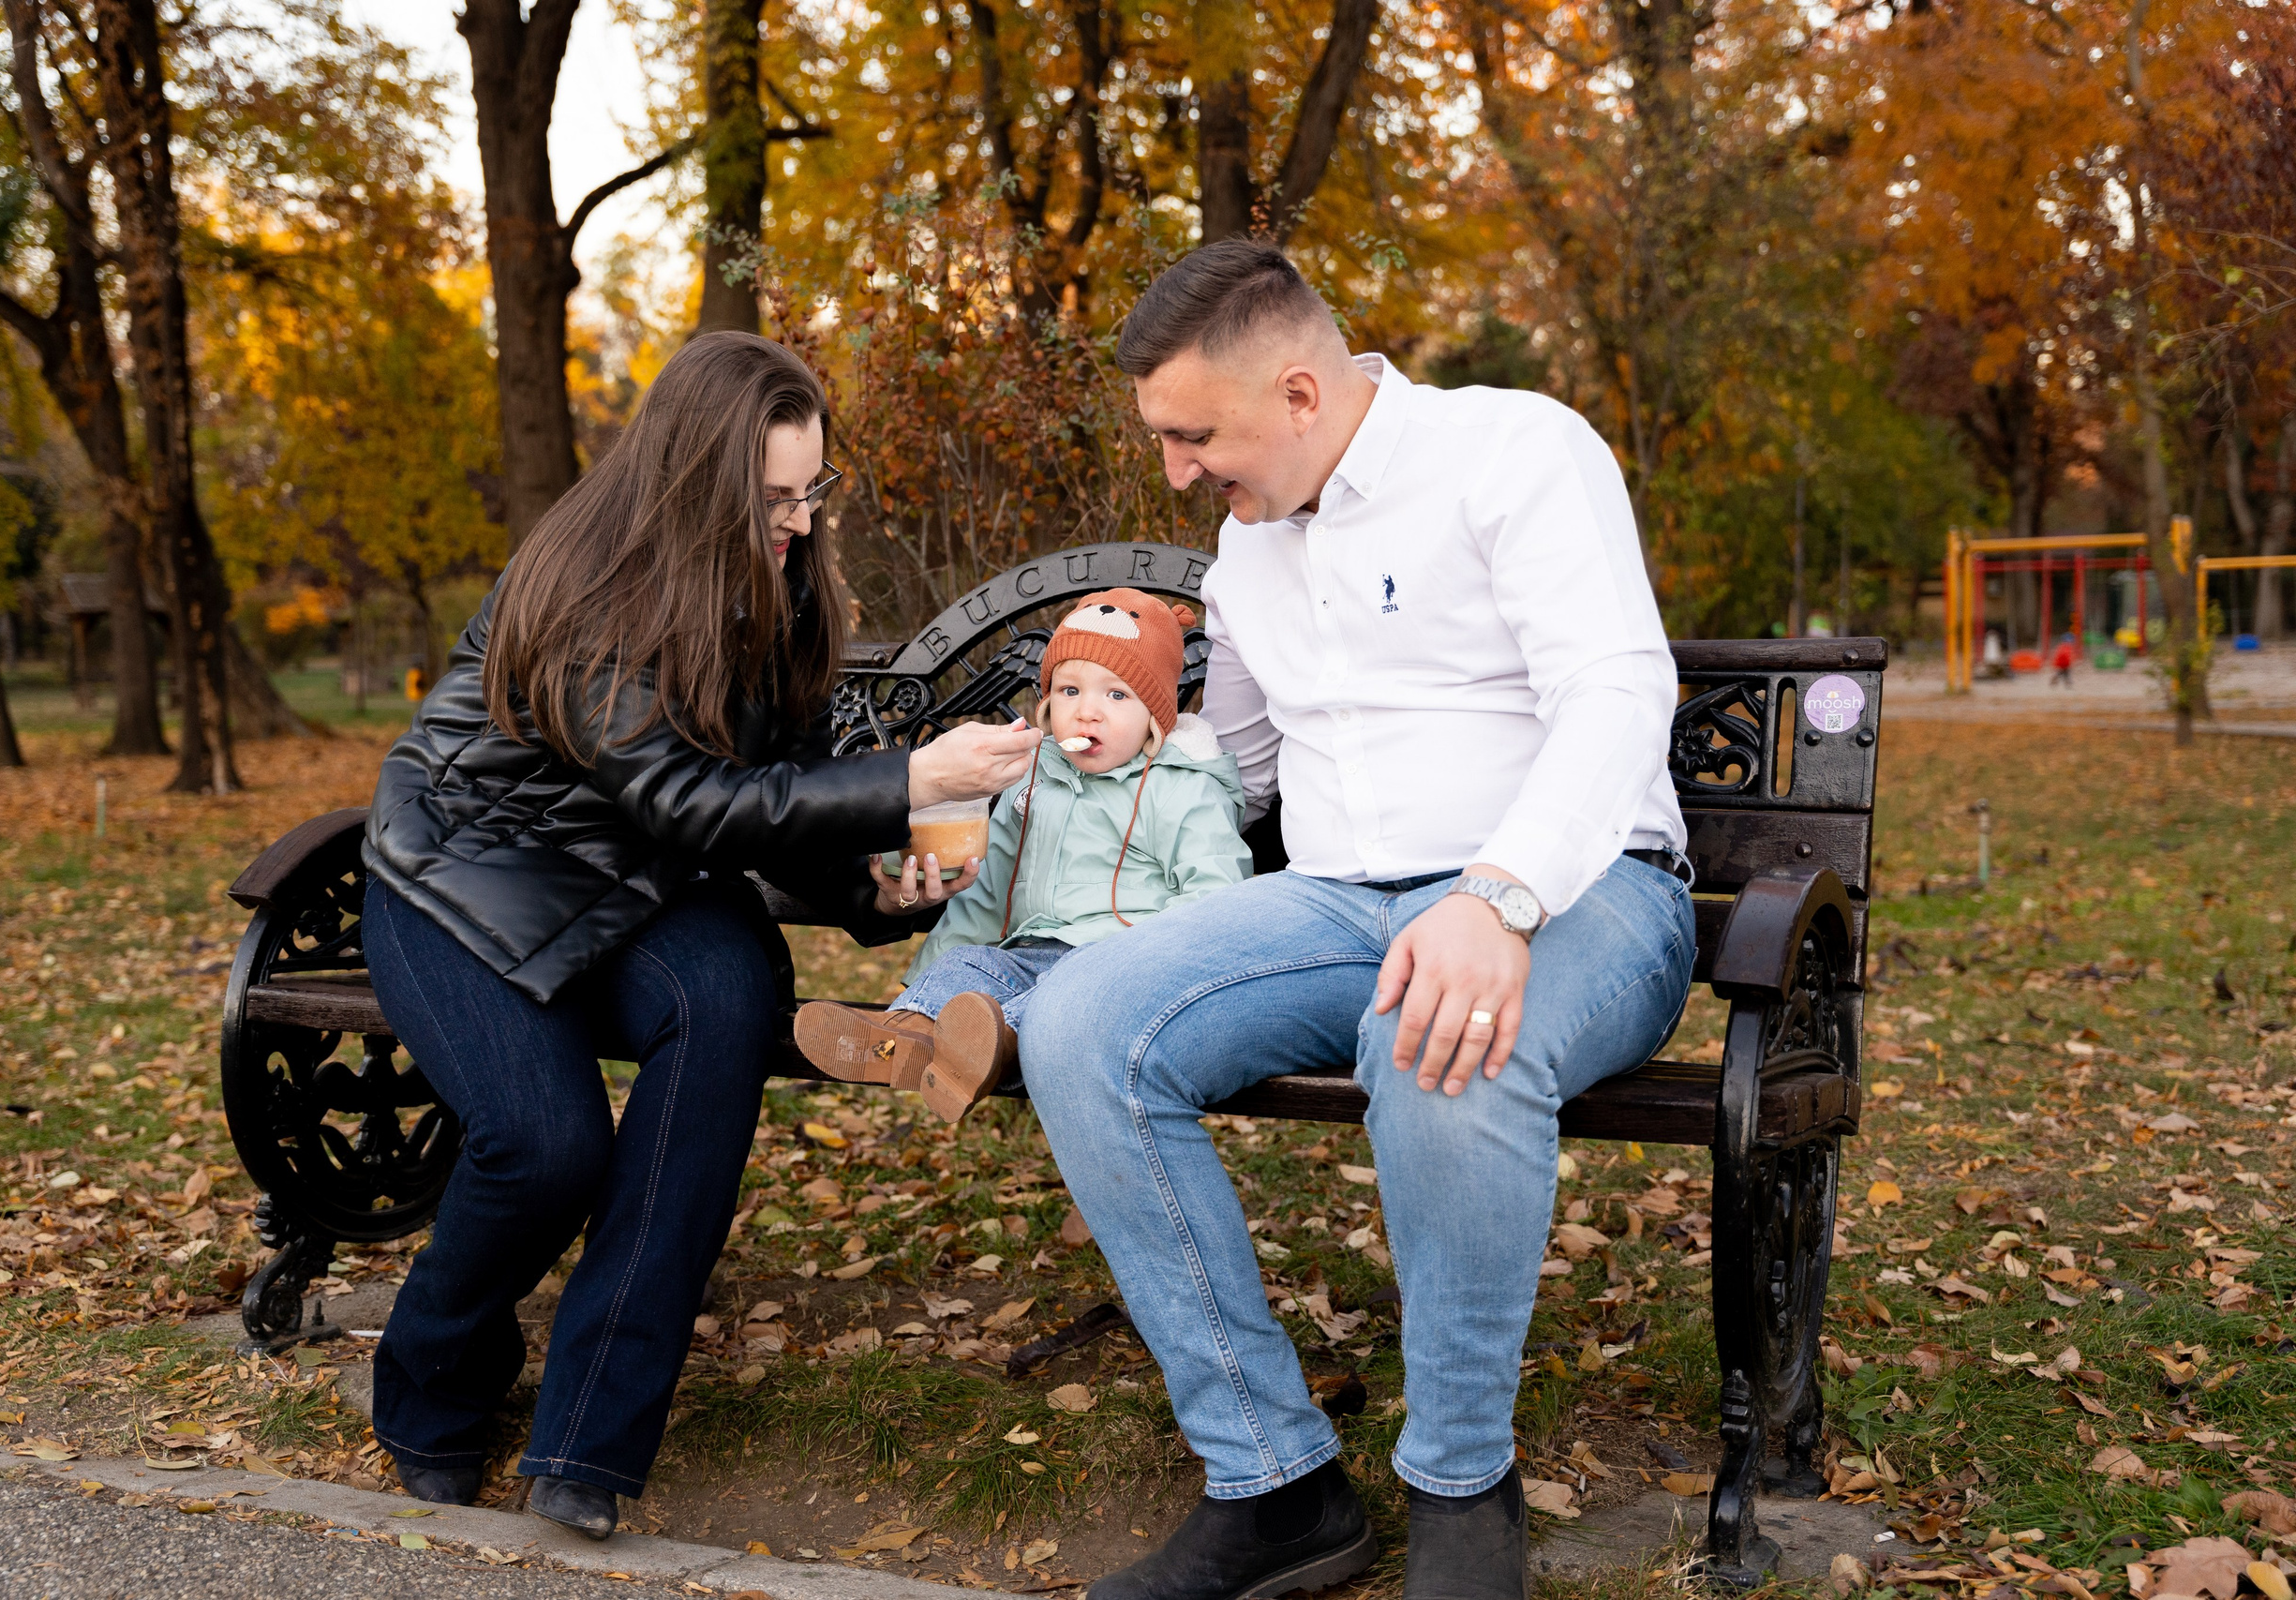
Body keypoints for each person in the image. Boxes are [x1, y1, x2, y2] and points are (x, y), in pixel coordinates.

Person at [1017, 242, 1696, 1600]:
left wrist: (1496, 899)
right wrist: (1055, 806)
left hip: (1583, 890)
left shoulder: (1515, 452)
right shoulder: (1250, 550)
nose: (1177, 470)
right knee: (1083, 1019)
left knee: (1440, 1037)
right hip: (1338, 902)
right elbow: (1244, 770)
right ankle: (1273, 1483)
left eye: (1194, 434)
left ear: (1303, 392)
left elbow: (1617, 693)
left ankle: (1458, 1483)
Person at [358, 332, 1038, 1539]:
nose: (797, 520)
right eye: (772, 498)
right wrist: (912, 770)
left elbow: (772, 787)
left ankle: (588, 1444)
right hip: (468, 877)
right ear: (694, 483)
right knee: (543, 1144)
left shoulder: (777, 586)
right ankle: (430, 1383)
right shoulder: (580, 582)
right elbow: (683, 797)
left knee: (726, 1006)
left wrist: (880, 895)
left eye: (810, 491)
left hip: (645, 886)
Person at [794, 589, 1251, 1119]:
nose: (1088, 712)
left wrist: (1149, 964)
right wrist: (938, 966)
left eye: (1117, 696)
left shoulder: (1181, 789)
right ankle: (905, 1035)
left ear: (1157, 714)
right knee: (972, 963)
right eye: (1070, 690)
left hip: (1120, 968)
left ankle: (992, 1049)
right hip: (1027, 953)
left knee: (1053, 1001)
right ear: (1048, 701)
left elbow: (1214, 900)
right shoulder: (1032, 783)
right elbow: (989, 892)